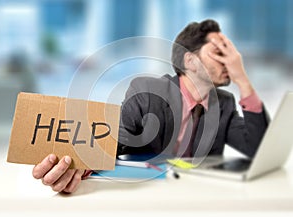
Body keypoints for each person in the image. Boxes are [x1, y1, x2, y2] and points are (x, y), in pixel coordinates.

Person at [32, 19, 269, 193]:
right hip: (147, 199)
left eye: (230, 53)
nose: (230, 59)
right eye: (219, 52)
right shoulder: (147, 91)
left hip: (200, 201)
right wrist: (77, 165)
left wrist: (243, 80)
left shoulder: (224, 103)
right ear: (190, 60)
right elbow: (114, 142)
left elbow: (258, 149)